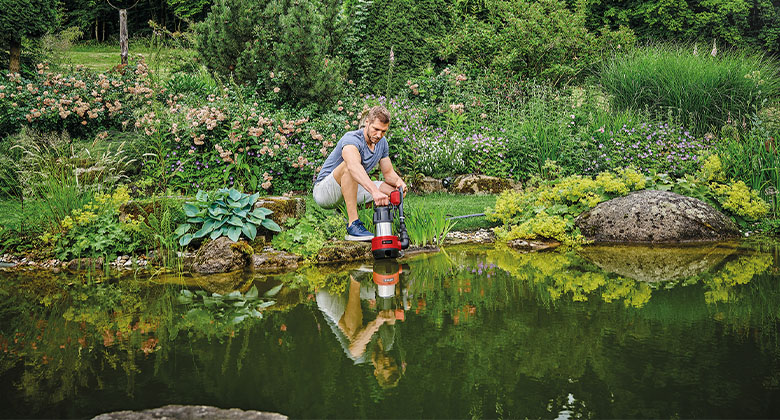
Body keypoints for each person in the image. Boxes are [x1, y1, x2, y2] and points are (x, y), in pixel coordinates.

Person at [312, 105, 407, 241]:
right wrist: (374, 191)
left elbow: (388, 173)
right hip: (325, 192)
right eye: (376, 129)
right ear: (367, 122)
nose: (379, 135)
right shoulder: (352, 139)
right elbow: (353, 166)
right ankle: (353, 225)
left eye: (383, 131)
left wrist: (399, 183)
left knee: (395, 191)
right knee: (349, 167)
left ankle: (386, 223)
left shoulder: (382, 143)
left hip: (349, 186)